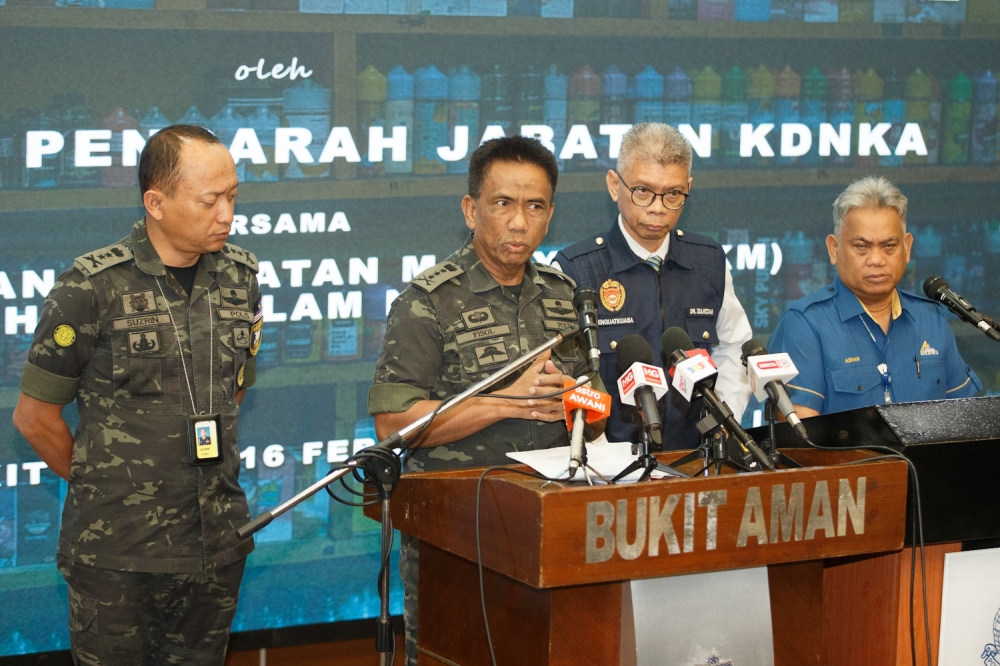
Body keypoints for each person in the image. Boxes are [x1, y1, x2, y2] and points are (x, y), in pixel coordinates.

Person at [12, 125, 261, 666]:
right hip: (119, 554)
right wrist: (103, 483)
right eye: (209, 201)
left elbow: (234, 391)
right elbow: (35, 417)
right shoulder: (90, 288)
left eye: (232, 196)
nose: (226, 214)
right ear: (156, 203)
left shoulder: (241, 278)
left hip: (215, 543)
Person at [368, 136, 603, 666]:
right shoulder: (427, 301)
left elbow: (597, 402)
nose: (519, 222)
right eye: (502, 204)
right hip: (457, 535)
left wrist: (577, 399)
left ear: (551, 216)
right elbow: (392, 423)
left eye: (535, 206)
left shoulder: (565, 295)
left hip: (552, 528)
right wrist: (506, 402)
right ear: (471, 210)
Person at [553, 122, 752, 448]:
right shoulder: (575, 269)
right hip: (610, 463)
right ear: (614, 185)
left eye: (673, 193)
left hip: (694, 457)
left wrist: (721, 424)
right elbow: (568, 380)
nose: (658, 207)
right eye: (642, 191)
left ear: (688, 188)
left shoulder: (708, 261)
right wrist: (601, 456)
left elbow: (734, 347)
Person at [768, 176, 981, 416]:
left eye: (889, 246)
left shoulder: (931, 320)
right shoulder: (805, 324)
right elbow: (799, 435)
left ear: (907, 247)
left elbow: (967, 421)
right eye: (862, 247)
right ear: (834, 249)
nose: (877, 260)